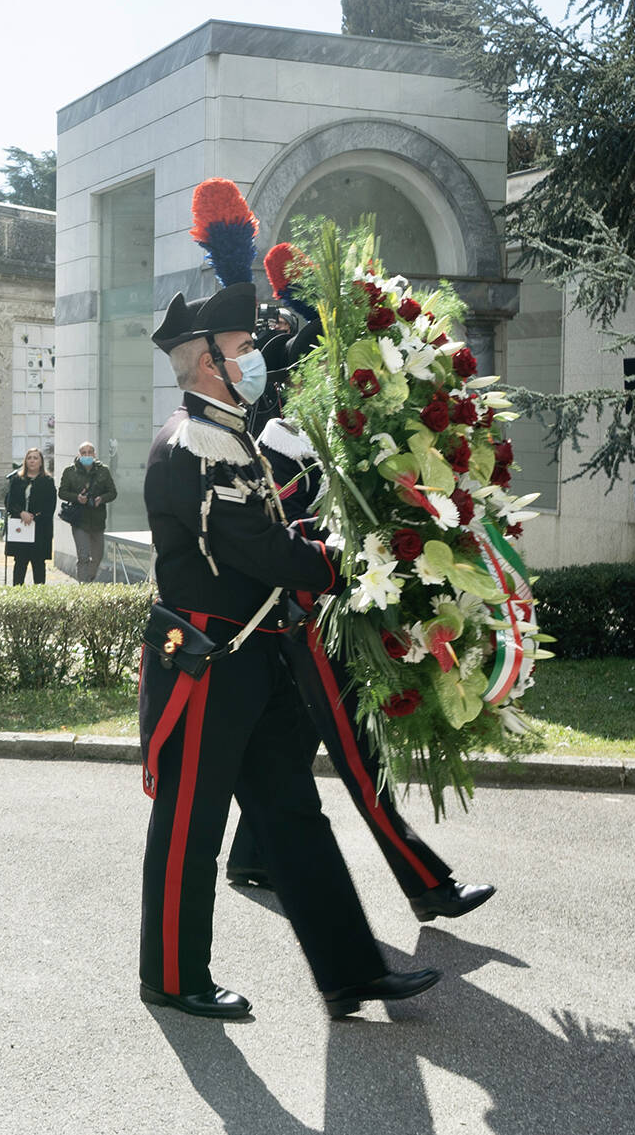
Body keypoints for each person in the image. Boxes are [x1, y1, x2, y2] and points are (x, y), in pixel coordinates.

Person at [137, 271, 438, 1022]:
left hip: (255, 658)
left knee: (294, 817)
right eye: (241, 347)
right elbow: (255, 548)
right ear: (206, 360)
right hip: (209, 664)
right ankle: (172, 974)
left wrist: (327, 542)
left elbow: (271, 534)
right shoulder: (191, 445)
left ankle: (350, 971)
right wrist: (344, 560)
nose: (255, 357)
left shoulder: (226, 434)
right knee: (191, 823)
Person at [221, 323, 496, 924]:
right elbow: (283, 545)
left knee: (299, 744)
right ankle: (428, 886)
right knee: (359, 756)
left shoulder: (330, 448)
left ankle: (251, 854)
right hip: (310, 626)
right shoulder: (275, 450)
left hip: (322, 619)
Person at [56, 441, 117, 582]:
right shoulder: (70, 471)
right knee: (83, 556)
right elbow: (62, 493)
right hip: (79, 520)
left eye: (90, 452)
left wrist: (101, 499)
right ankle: (83, 587)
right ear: (79, 455)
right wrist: (77, 498)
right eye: (84, 453)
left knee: (97, 557)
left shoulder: (103, 471)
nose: (87, 455)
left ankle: (88, 581)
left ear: (94, 454)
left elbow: (113, 493)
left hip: (98, 520)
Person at [3, 447, 55, 585]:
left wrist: (34, 517)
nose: (32, 461)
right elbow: (9, 502)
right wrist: (21, 513)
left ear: (41, 462)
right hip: (20, 527)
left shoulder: (48, 481)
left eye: (35, 458)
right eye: (29, 458)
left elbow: (50, 506)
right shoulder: (17, 480)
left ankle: (40, 596)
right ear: (25, 461)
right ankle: (17, 594)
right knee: (20, 562)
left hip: (39, 528)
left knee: (38, 563)